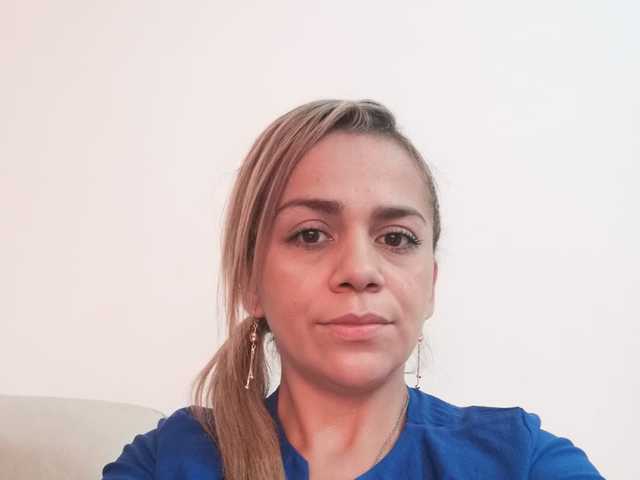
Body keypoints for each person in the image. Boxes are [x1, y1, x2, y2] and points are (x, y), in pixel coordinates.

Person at [102, 99, 603, 479]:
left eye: (396, 238)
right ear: (250, 282)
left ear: (430, 286)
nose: (360, 270)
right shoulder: (166, 461)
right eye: (311, 235)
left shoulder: (522, 461)